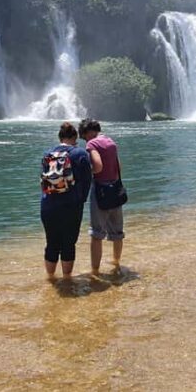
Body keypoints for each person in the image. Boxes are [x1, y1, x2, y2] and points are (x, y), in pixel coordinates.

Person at [39, 122, 91, 280]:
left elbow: (44, 180)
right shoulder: (80, 154)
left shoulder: (47, 153)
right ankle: (67, 279)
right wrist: (81, 200)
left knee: (52, 242)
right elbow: (87, 181)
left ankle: (50, 279)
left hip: (48, 205)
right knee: (68, 244)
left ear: (60, 137)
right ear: (74, 138)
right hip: (71, 206)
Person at [79, 118, 124, 276]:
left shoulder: (92, 144)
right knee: (117, 231)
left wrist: (86, 172)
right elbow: (119, 167)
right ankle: (116, 262)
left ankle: (95, 271)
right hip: (115, 189)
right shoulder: (110, 141)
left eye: (84, 137)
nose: (85, 140)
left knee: (97, 234)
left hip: (101, 192)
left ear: (87, 133)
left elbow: (97, 166)